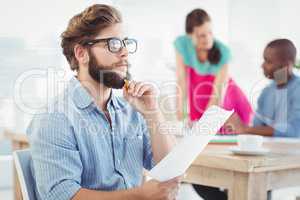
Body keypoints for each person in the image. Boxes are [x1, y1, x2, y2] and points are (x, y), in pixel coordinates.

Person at [28, 4, 182, 200]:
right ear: (81, 53)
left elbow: (170, 170)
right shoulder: (55, 118)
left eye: (125, 44)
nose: (125, 52)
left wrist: (153, 113)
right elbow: (62, 195)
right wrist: (140, 196)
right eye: (114, 44)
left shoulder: (132, 110)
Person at [174, 8, 253, 131]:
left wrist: (204, 124)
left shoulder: (223, 52)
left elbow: (217, 94)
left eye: (210, 32)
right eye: (202, 35)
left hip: (225, 96)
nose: (208, 39)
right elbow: (181, 80)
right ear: (190, 35)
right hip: (198, 92)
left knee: (215, 134)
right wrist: (179, 115)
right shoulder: (182, 44)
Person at [227, 39, 300, 137]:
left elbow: (294, 131)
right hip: (268, 149)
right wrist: (237, 127)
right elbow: (257, 127)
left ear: (286, 65)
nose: (262, 66)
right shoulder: (266, 92)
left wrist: (245, 129)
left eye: (268, 61)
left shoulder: (297, 89)